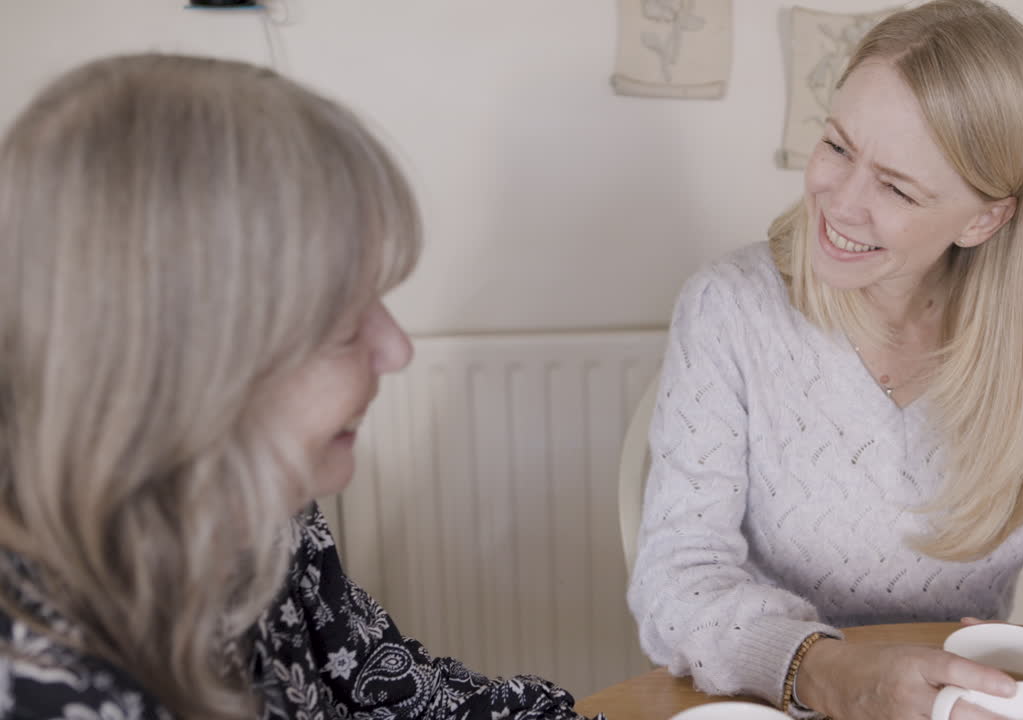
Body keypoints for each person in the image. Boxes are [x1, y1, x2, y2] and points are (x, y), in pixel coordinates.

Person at [626, 2, 1023, 719]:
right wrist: (830, 671)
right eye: (839, 147)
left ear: (984, 219)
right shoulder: (729, 308)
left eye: (898, 187)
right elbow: (678, 577)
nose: (839, 203)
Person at [0, 54, 595, 720]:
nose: (396, 349)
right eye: (343, 321)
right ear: (185, 361)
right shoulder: (53, 685)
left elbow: (378, 681)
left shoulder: (255, 493)